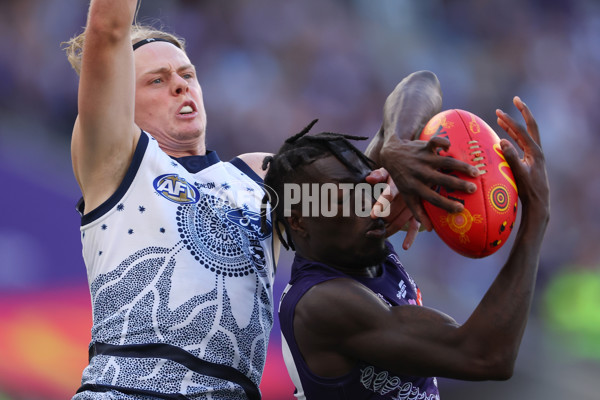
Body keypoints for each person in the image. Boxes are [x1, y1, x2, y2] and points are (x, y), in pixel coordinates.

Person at [62, 1, 478, 398]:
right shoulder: (115, 161)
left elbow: (418, 89)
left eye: (187, 74)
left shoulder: (260, 179)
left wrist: (399, 148)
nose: (180, 85)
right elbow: (107, 28)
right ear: (119, 104)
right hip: (128, 389)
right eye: (157, 79)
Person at [262, 96, 549, 399]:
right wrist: (537, 214)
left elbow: (419, 85)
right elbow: (487, 356)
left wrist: (396, 143)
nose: (373, 203)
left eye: (370, 187)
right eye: (345, 197)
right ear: (299, 221)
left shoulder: (359, 246)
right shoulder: (321, 301)